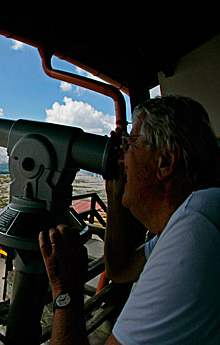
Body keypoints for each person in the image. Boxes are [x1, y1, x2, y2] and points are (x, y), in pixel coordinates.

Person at [39, 95, 220, 344]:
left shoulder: (194, 232)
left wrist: (65, 291)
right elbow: (120, 270)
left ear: (165, 161)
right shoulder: (197, 214)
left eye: (129, 144)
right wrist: (115, 195)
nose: (122, 158)